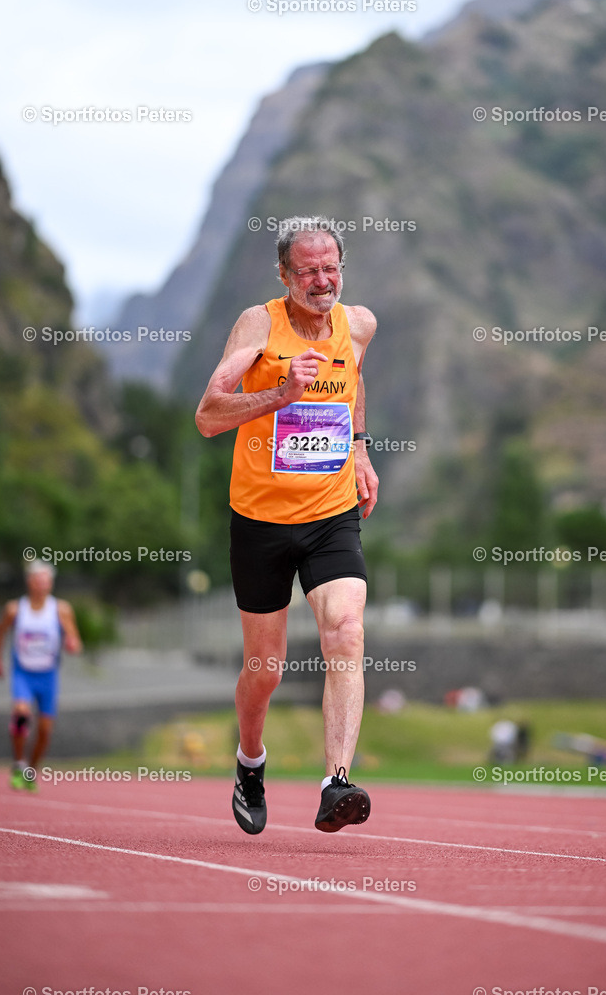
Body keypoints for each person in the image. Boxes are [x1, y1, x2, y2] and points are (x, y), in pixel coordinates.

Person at [196, 214, 378, 835]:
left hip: (331, 515)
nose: (321, 280)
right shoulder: (259, 324)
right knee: (265, 670)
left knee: (346, 631)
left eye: (330, 268)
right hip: (260, 521)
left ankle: (337, 782)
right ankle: (251, 760)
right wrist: (278, 394)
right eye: (307, 271)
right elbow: (208, 416)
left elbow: (352, 379)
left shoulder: (358, 325)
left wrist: (358, 446)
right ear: (284, 275)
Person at [0, 559, 83, 790]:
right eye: (38, 579)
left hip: (48, 675)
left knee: (44, 730)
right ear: (29, 581)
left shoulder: (61, 609)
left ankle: (31, 771)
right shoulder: (15, 609)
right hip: (23, 673)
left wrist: (72, 644)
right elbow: (0, 632)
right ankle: (18, 762)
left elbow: (75, 640)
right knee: (21, 715)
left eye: (47, 579)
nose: (43, 584)